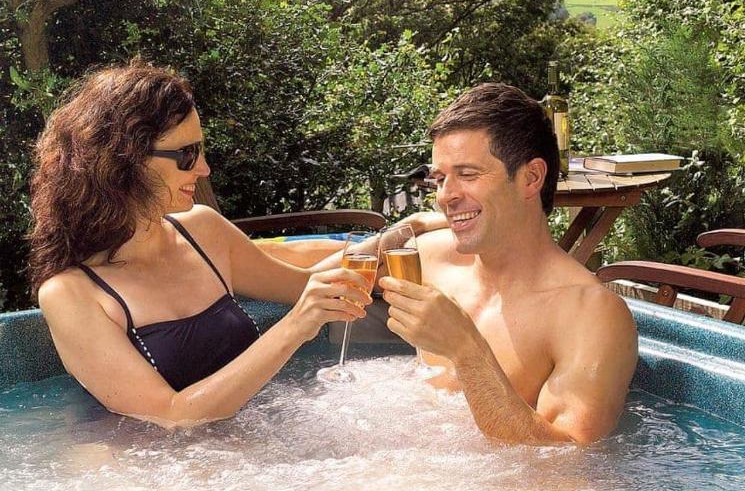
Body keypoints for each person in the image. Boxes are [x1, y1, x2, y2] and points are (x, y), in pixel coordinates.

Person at [30, 59, 439, 428]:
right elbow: (173, 416)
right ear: (126, 160)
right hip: (159, 485)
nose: (204, 168)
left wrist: (408, 229)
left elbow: (307, 284)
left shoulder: (202, 231)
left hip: (251, 450)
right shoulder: (71, 295)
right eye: (187, 155)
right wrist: (295, 326)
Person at [380, 83, 638, 446]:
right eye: (440, 179)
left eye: (467, 175)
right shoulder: (429, 257)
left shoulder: (590, 314)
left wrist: (466, 351)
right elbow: (306, 276)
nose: (445, 195)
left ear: (531, 178)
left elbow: (568, 464)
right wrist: (399, 233)